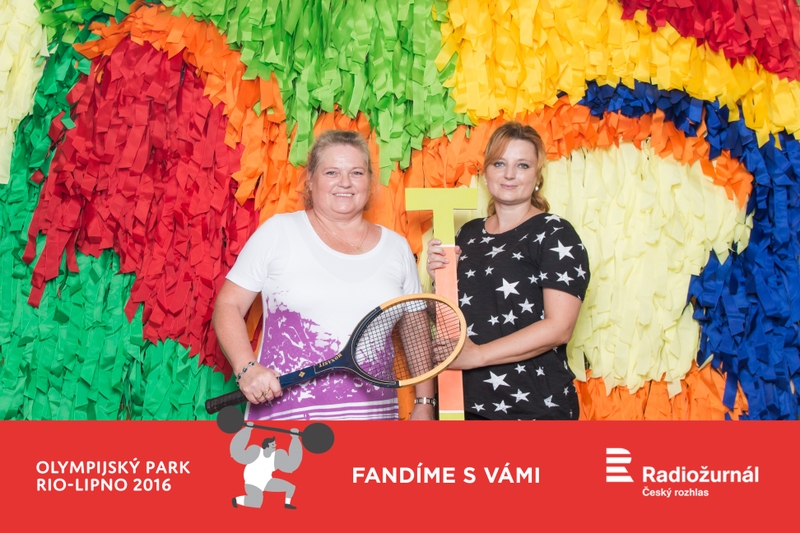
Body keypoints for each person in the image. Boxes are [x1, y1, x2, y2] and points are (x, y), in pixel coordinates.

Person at [213, 130, 435, 420]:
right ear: (310, 180)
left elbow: (415, 328)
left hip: (375, 420)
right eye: (332, 172)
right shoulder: (278, 232)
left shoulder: (397, 247)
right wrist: (246, 368)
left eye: (357, 172)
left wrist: (425, 402)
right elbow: (228, 305)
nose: (345, 182)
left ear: (369, 182)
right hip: (287, 421)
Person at [426, 122, 589, 420]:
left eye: (522, 165)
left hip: (534, 407)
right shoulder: (467, 234)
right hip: (463, 403)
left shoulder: (555, 233)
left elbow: (559, 328)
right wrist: (441, 280)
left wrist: (477, 355)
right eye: (499, 163)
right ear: (486, 173)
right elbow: (455, 317)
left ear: (537, 176)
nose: (509, 174)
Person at [230, 424, 302, 509]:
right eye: (273, 444)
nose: (275, 445)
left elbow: (292, 464)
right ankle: (236, 500)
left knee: (290, 487)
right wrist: (247, 430)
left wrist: (295, 438)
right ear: (267, 445)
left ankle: (287, 504)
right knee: (256, 503)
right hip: (253, 481)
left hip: (266, 481)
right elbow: (238, 452)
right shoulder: (256, 452)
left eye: (275, 444)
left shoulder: (276, 457)